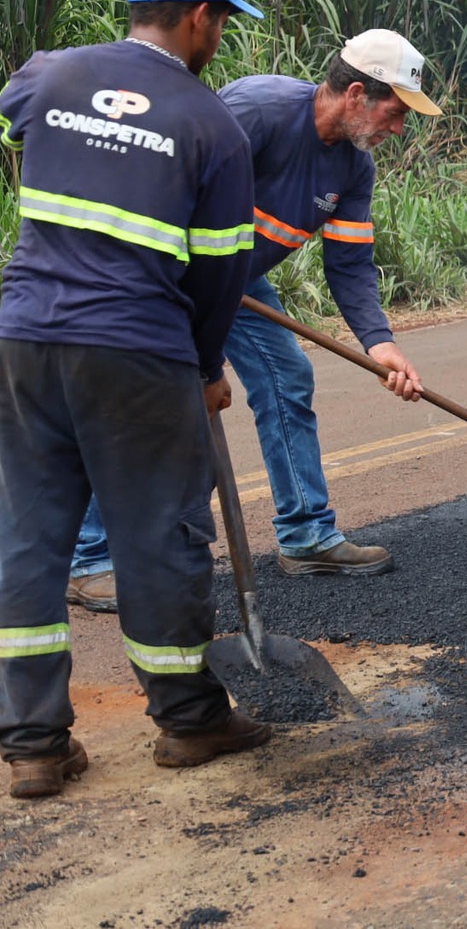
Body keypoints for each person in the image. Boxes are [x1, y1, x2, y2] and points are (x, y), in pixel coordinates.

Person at [0, 0, 273, 799]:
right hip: (135, 349)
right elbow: (223, 269)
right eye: (222, 20)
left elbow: (19, 119)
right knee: (157, 530)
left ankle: (34, 744)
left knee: (28, 534)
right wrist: (202, 367)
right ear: (200, 16)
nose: (220, 35)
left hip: (22, 338)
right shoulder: (212, 126)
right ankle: (189, 720)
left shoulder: (44, 76)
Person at [62, 31, 441, 608]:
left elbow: (351, 264)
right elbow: (164, 189)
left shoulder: (352, 171)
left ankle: (307, 535)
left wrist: (379, 343)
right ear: (358, 93)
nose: (399, 128)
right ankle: (89, 558)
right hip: (158, 268)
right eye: (396, 111)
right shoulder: (255, 111)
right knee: (136, 396)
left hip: (235, 281)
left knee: (286, 376)